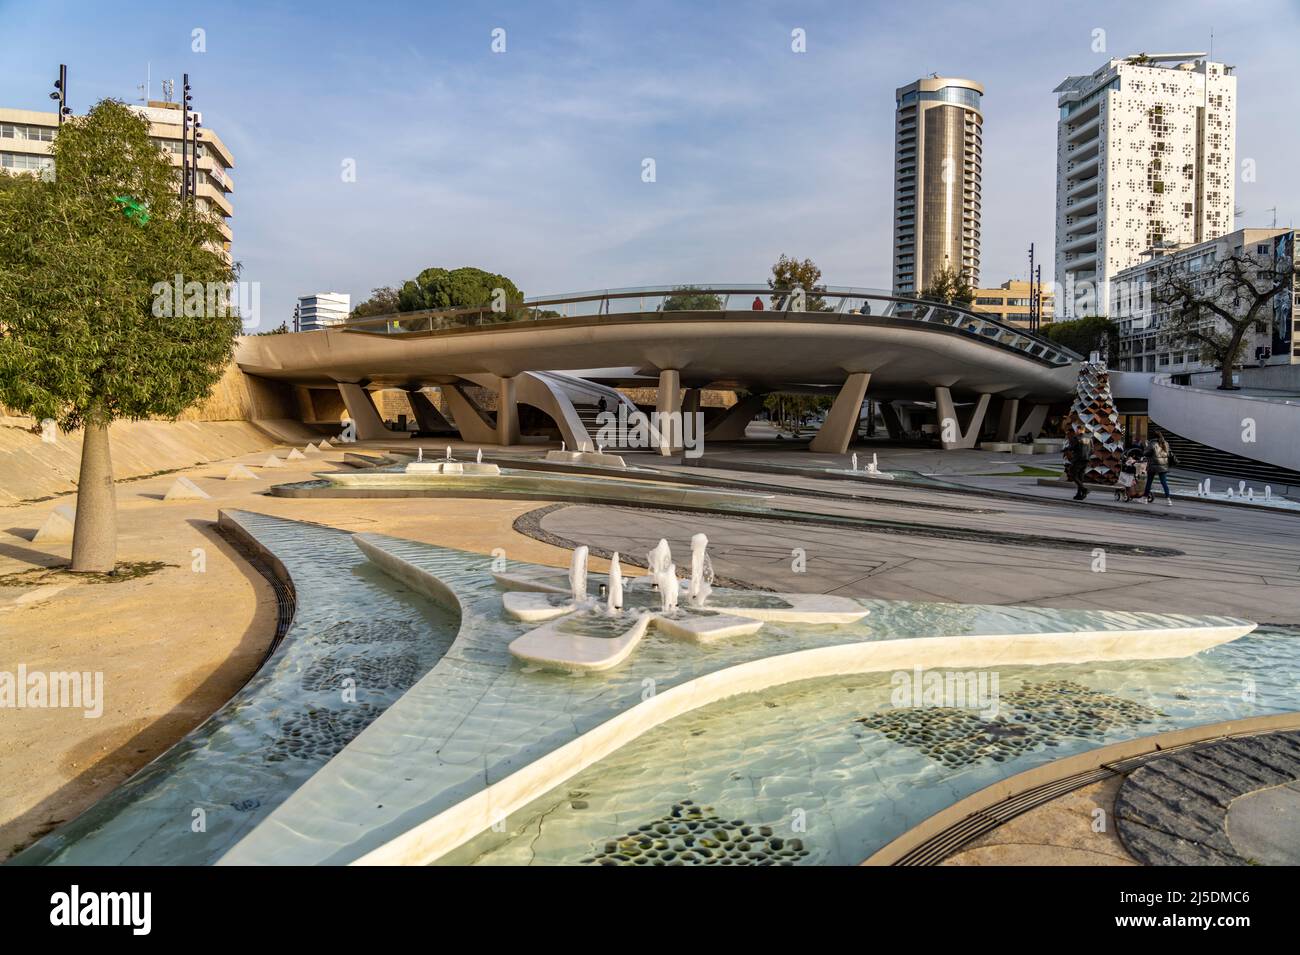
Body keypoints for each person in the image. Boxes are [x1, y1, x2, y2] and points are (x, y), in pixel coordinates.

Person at [1143, 433, 1178, 505]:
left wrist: (1146, 446)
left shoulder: (1152, 443)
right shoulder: (1166, 443)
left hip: (1153, 466)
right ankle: (1169, 500)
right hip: (1163, 466)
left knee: (1149, 482)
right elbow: (1170, 453)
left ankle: (1145, 499)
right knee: (1164, 483)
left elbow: (1146, 453)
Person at [1064, 430, 1089, 501]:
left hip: (1078, 459)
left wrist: (1066, 449)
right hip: (1086, 460)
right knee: (1080, 477)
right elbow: (1092, 450)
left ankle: (1084, 489)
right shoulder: (1089, 438)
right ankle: (1079, 494)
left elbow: (1072, 447)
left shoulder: (1076, 438)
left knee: (1072, 474)